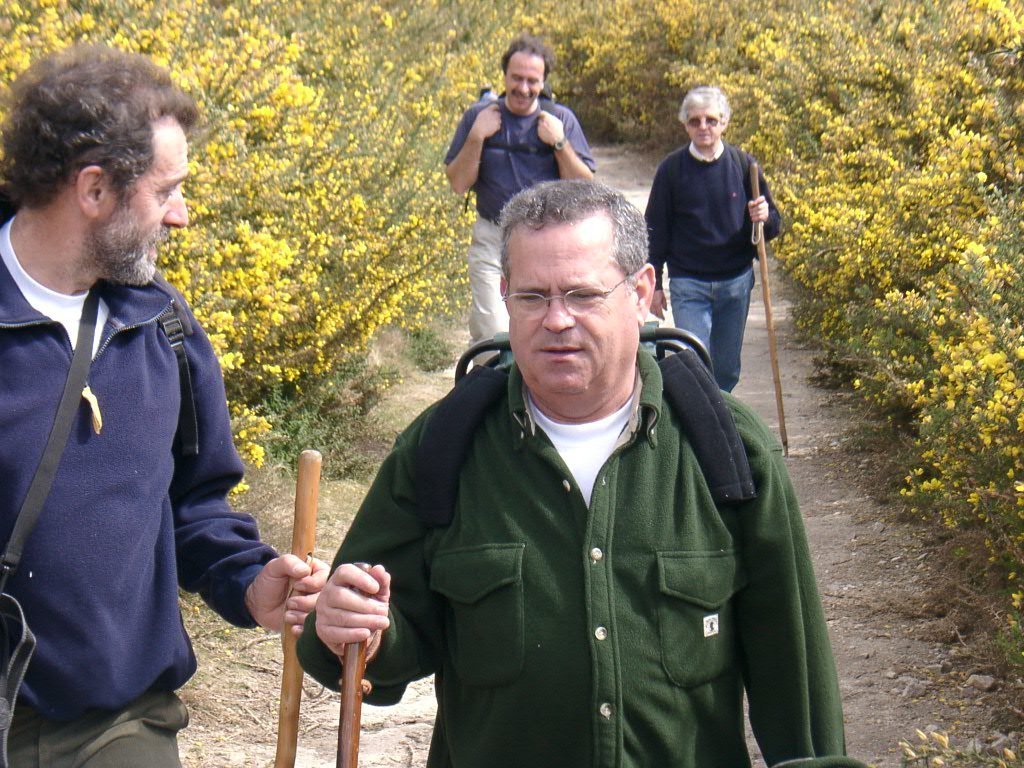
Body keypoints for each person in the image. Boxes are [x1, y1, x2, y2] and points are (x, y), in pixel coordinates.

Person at [298, 179, 855, 767]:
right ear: (505, 296)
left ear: (641, 293)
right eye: (533, 297)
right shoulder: (441, 449)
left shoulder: (728, 449)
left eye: (582, 295)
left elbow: (794, 673)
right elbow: (374, 640)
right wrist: (352, 629)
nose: (557, 320)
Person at [0, 44, 328, 766]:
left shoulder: (162, 327)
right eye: (165, 191)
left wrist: (248, 580)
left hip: (115, 723)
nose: (181, 216)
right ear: (94, 190)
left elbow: (194, 502)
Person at [445, 33, 595, 349]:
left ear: (543, 82)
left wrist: (559, 143)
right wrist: (477, 137)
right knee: (492, 335)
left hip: (547, 242)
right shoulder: (478, 117)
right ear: (504, 76)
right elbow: (458, 183)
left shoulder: (560, 119)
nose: (523, 88)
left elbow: (585, 186)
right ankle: (491, 380)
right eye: (517, 78)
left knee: (541, 331)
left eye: (532, 81)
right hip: (492, 238)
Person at [645, 85, 782, 392]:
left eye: (711, 120)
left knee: (726, 369)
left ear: (724, 122)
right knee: (694, 363)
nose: (703, 127)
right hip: (688, 283)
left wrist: (764, 217)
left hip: (736, 282)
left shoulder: (745, 166)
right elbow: (655, 229)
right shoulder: (671, 169)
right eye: (695, 121)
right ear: (685, 125)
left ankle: (720, 415)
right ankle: (701, 418)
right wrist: (654, 285)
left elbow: (773, 226)